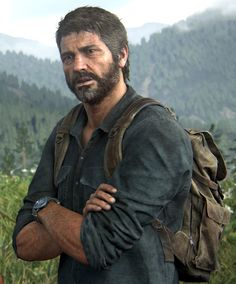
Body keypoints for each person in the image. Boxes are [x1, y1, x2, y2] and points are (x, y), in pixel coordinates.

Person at [12, 6, 193, 284]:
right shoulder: (65, 131)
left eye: (90, 51)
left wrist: (46, 209)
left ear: (121, 55)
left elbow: (98, 245)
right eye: (68, 57)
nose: (78, 65)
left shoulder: (154, 132)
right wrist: (79, 220)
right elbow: (23, 243)